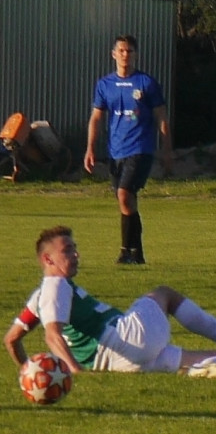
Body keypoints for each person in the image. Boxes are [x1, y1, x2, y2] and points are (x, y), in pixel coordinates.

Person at [4, 226, 216, 378]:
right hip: (124, 339)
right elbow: (52, 336)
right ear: (48, 260)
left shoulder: (41, 296)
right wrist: (74, 372)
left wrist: (29, 372)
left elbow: (11, 339)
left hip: (117, 363)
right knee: (165, 294)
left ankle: (214, 364)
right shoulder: (56, 285)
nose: (76, 254)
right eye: (67, 250)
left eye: (75, 248)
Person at [84, 34, 173, 265]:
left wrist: (166, 149)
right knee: (126, 201)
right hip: (116, 151)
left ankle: (125, 251)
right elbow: (96, 118)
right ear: (113, 54)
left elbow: (161, 116)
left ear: (136, 55)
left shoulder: (146, 83)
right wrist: (90, 149)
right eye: (121, 51)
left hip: (141, 148)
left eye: (130, 51)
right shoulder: (105, 84)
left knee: (124, 194)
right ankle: (136, 254)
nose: (125, 55)